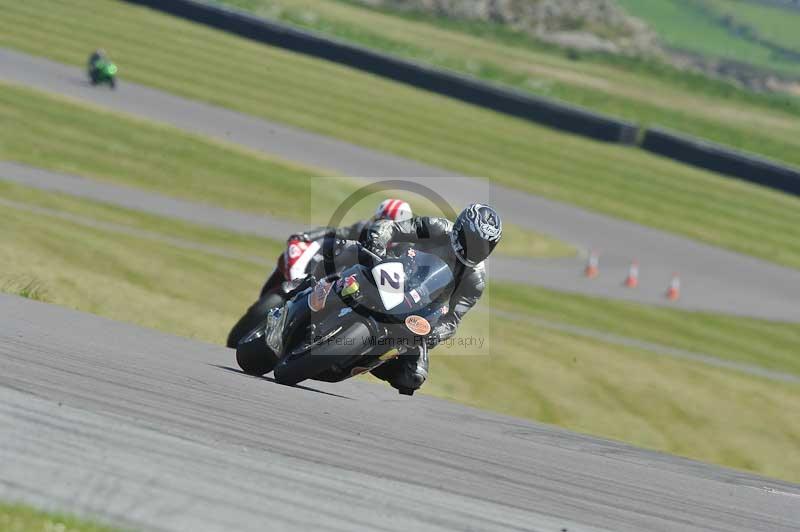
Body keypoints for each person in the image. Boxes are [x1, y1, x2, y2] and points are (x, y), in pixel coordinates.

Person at [226, 199, 413, 348]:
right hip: (339, 275)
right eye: (380, 220)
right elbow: (333, 233)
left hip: (366, 288)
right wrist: (308, 236)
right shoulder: (363, 229)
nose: (382, 227)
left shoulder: (406, 248)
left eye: (389, 224)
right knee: (301, 273)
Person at [363, 203, 503, 394]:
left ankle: (365, 361)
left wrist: (434, 334)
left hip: (416, 313)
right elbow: (393, 228)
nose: (477, 249)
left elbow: (452, 320)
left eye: (485, 246)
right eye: (473, 241)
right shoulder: (438, 228)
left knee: (413, 377)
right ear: (461, 228)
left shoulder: (475, 280)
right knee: (346, 250)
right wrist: (377, 243)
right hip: (392, 274)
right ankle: (312, 289)